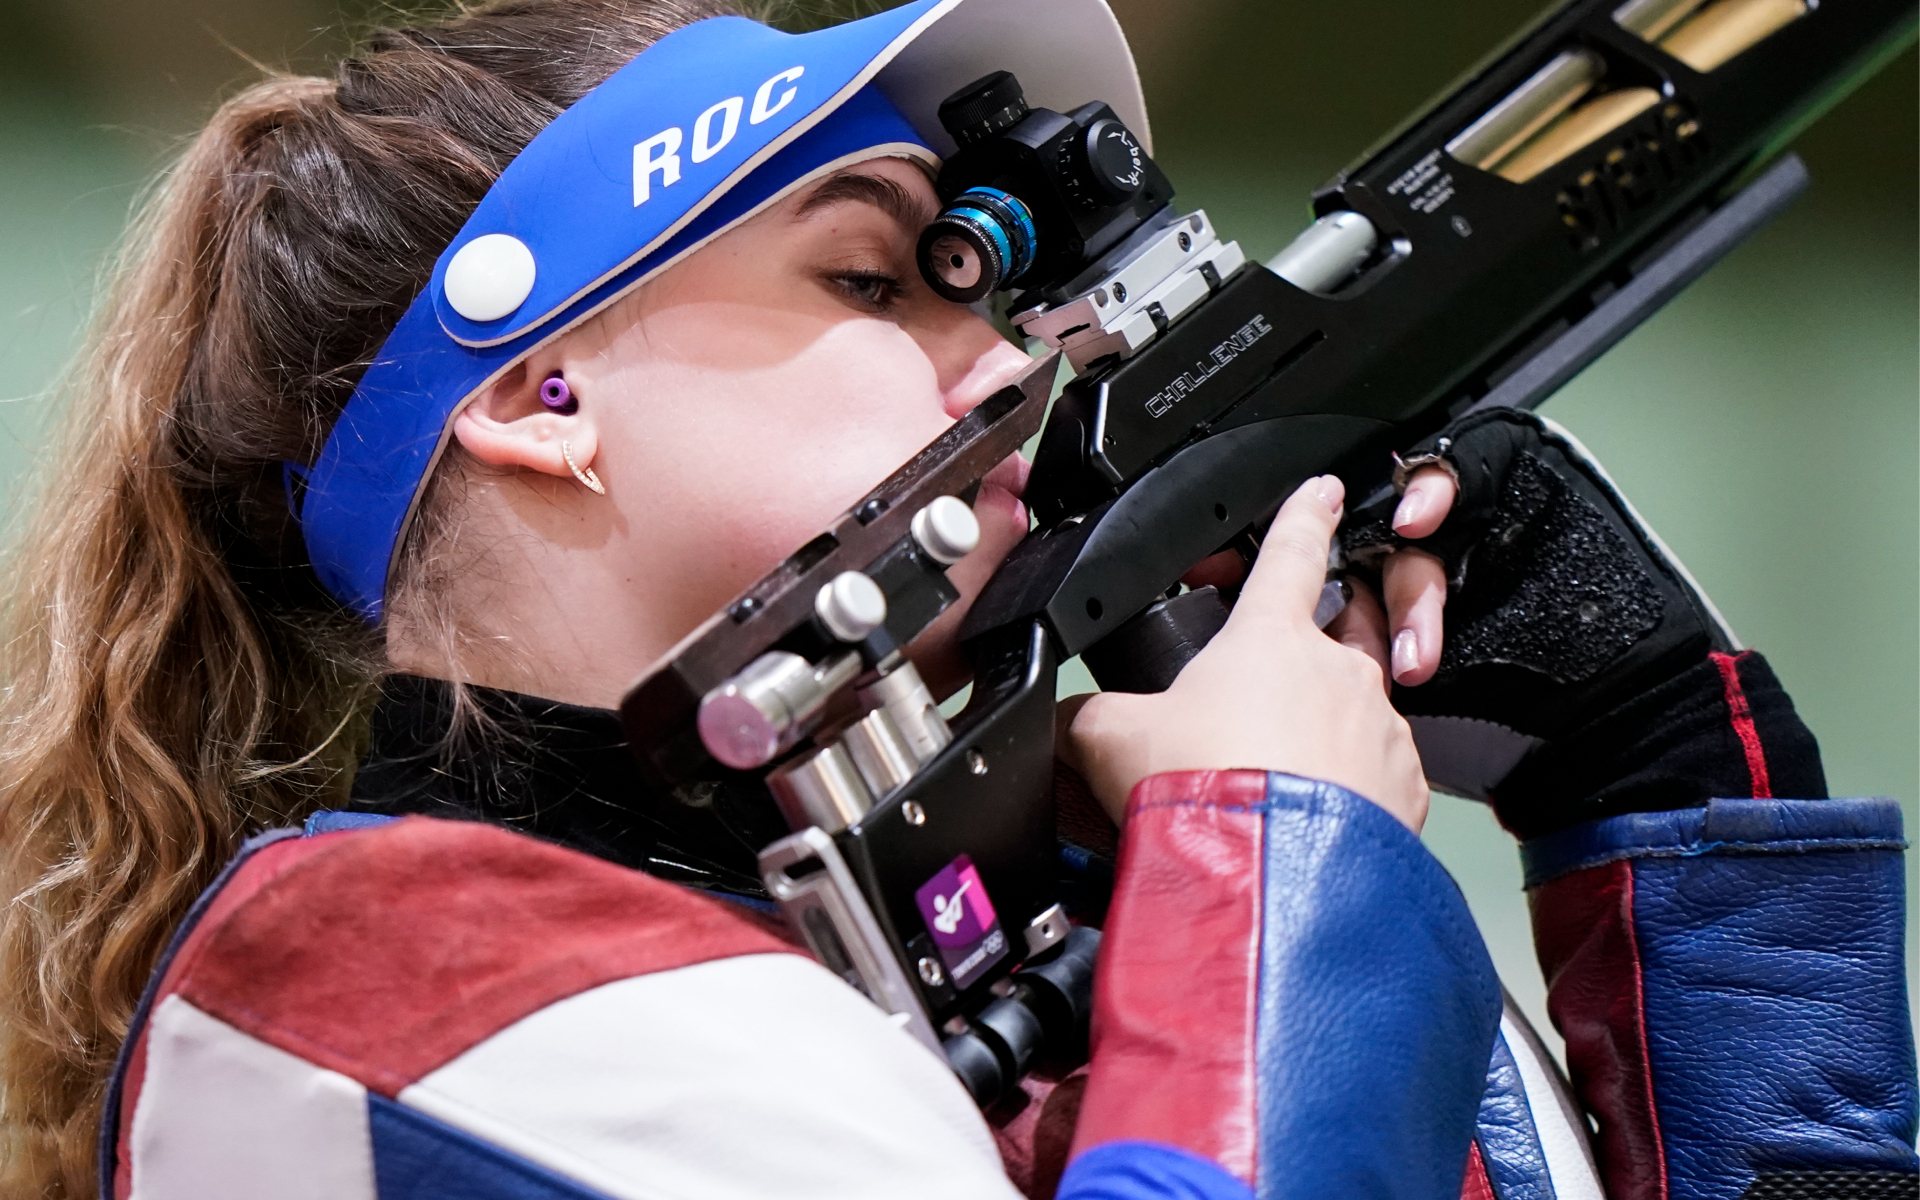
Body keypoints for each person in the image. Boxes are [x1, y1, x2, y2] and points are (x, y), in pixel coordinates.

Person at [0, 1, 1909, 1198]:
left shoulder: (1111, 919)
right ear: (533, 393)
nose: (1003, 369)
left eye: (991, 299)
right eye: (872, 282)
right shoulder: (382, 984)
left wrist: (1661, 772)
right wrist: (1284, 862)